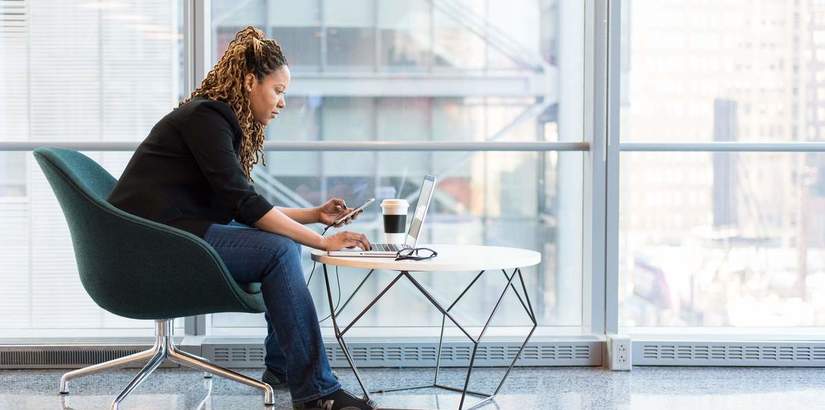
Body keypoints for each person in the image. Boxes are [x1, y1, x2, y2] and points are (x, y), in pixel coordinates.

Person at [107, 26, 375, 410]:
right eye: (278, 90)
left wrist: (314, 216)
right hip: (151, 243)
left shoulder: (212, 119)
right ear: (250, 81)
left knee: (281, 246)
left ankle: (284, 369)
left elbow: (242, 205)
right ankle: (316, 392)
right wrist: (320, 239)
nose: (282, 102)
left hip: (170, 232)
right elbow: (246, 206)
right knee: (280, 250)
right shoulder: (207, 118)